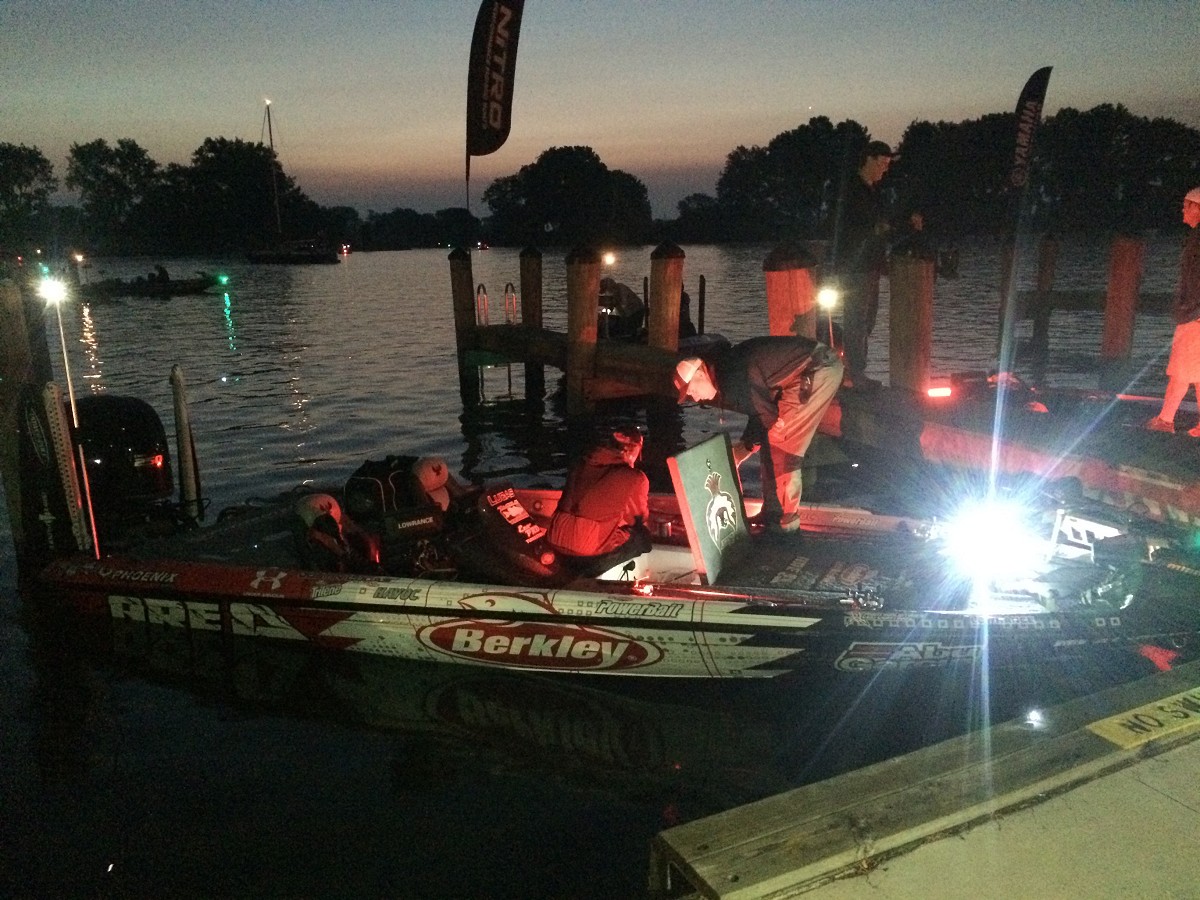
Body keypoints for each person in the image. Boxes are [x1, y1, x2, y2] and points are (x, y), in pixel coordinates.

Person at [674, 336, 843, 533]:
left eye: (691, 390)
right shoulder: (726, 371)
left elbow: (767, 418)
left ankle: (788, 527)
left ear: (700, 374)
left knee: (782, 445)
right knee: (771, 439)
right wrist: (744, 449)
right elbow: (761, 413)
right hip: (810, 367)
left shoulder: (733, 378)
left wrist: (746, 447)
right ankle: (773, 512)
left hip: (816, 369)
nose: (694, 398)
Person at [827, 140, 895, 389]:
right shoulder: (852, 191)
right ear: (869, 159)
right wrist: (876, 229)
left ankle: (855, 370)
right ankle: (855, 374)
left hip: (870, 265)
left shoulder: (872, 192)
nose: (885, 169)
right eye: (883, 163)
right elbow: (849, 228)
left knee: (867, 319)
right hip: (855, 267)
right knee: (857, 318)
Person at [546, 428, 652, 574]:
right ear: (633, 451)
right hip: (586, 557)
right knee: (642, 538)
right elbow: (636, 519)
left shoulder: (580, 464)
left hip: (553, 544)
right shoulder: (634, 477)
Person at [1147, 187, 1200, 435]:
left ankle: (1165, 420)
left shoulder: (1197, 241)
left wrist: (1188, 309)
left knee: (1180, 369)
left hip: (1195, 315)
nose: (1182, 210)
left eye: (1186, 205)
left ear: (1197, 208)